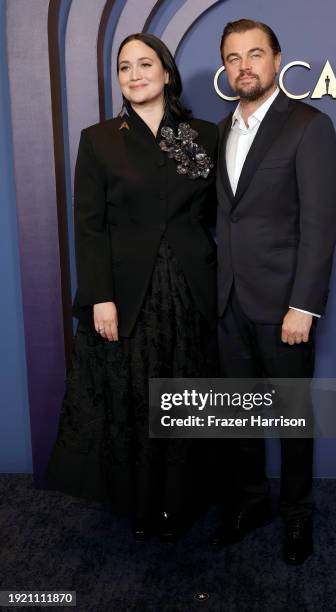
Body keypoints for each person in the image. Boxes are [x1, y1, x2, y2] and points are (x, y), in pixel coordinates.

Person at [45, 33, 218, 543]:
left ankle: (182, 499)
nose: (135, 74)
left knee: (186, 395)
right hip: (127, 295)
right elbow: (90, 226)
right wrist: (100, 295)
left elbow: (211, 216)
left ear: (167, 73)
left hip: (190, 289)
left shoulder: (202, 135)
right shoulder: (99, 139)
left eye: (145, 64)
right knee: (135, 400)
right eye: (125, 67)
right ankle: (143, 505)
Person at [212, 19, 336, 564]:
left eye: (255, 54)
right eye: (234, 56)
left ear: (277, 61)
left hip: (286, 304)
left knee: (291, 418)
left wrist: (304, 304)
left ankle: (297, 515)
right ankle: (250, 503)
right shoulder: (222, 129)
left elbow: (320, 223)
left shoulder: (309, 125)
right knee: (239, 416)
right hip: (229, 301)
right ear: (225, 67)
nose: (244, 65)